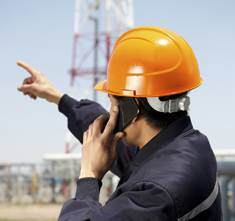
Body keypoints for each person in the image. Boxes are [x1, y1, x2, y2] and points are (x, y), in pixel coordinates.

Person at [17, 26, 222, 221]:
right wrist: (57, 97)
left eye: (113, 101)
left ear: (131, 108)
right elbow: (104, 128)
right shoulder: (186, 146)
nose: (111, 111)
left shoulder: (154, 194)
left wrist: (89, 176)